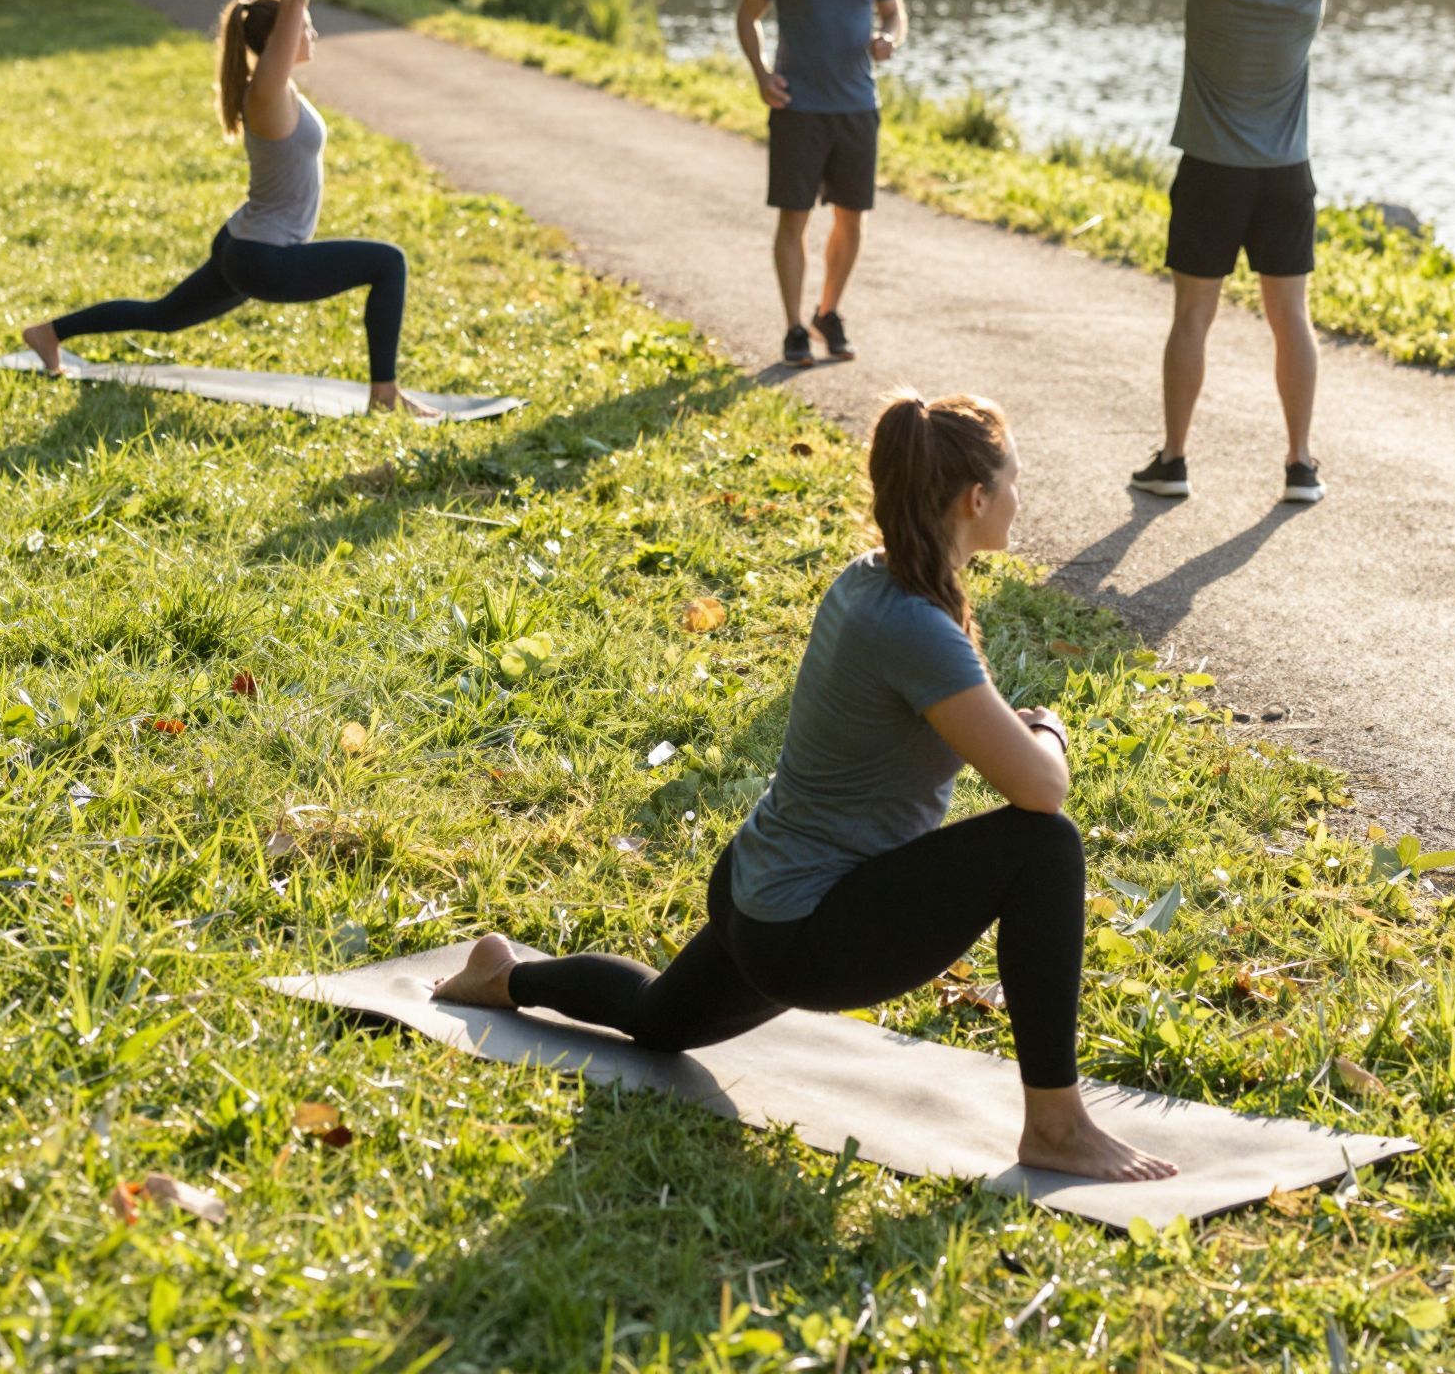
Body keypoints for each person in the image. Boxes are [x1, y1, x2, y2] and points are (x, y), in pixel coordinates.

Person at [434, 391, 1177, 1184]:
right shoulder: (917, 626)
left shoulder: (867, 583)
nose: (1020, 498)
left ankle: (502, 975)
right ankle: (1056, 1128)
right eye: (1015, 481)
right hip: (807, 937)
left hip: (756, 896)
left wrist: (1012, 729)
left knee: (658, 1021)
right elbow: (1042, 792)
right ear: (976, 499)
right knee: (1045, 849)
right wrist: (1049, 729)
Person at [22, 0, 428, 414]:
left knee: (162, 316)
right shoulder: (266, 91)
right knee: (389, 262)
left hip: (243, 243)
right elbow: (294, 0)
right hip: (264, 259)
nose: (309, 32)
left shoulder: (265, 80)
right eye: (299, 29)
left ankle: (48, 333)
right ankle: (384, 395)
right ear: (281, 39)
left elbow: (270, 0)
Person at [1132, 0, 1332, 505]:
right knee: (1292, 320)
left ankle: (1175, 461)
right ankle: (1300, 465)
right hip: (1284, 177)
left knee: (1193, 316)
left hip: (1212, 173)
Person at [735, 0, 907, 369]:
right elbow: (747, 18)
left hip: (857, 106)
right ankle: (793, 327)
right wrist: (763, 76)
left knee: (851, 220)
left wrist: (889, 41)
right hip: (799, 109)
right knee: (795, 218)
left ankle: (828, 313)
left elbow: (895, 14)